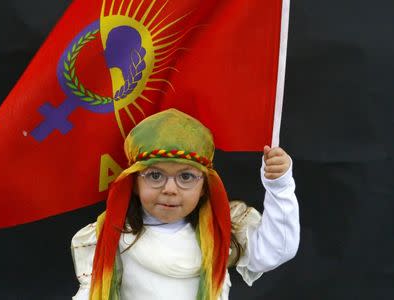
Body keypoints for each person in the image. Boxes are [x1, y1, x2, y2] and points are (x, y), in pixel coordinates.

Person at [71, 108, 299, 300]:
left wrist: (279, 186)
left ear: (204, 188)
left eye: (186, 177)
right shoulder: (110, 236)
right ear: (133, 183)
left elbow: (277, 250)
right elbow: (90, 293)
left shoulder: (222, 231)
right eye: (155, 176)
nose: (170, 189)